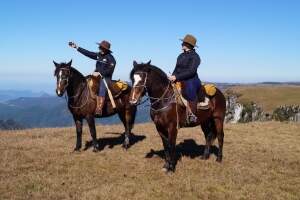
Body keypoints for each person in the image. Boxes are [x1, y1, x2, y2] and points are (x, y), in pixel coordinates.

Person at [69, 40, 116, 115]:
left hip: (106, 78)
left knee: (102, 87)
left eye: (102, 48)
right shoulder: (99, 55)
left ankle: (99, 108)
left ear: (106, 50)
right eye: (100, 47)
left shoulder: (111, 58)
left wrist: (100, 73)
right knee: (85, 83)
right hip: (96, 76)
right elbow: (88, 53)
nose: (100, 49)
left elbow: (110, 71)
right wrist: (77, 47)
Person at [168, 34, 207, 123]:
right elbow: (176, 69)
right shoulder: (180, 56)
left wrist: (176, 77)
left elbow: (191, 71)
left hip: (191, 79)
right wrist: (172, 77)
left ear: (188, 45)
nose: (181, 44)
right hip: (179, 78)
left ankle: (192, 114)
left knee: (189, 91)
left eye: (183, 43)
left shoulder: (195, 57)